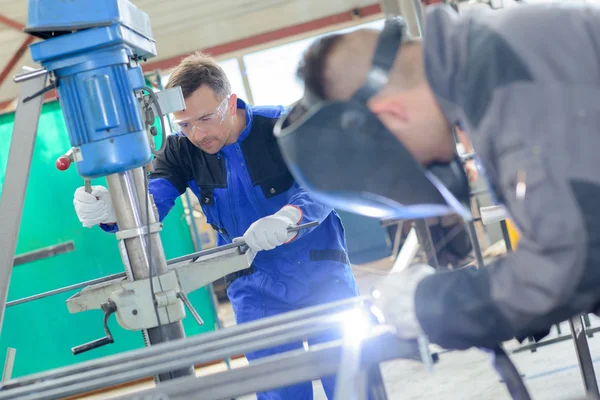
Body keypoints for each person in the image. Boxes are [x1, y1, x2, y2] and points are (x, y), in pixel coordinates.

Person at [274, 3, 600, 351]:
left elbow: (577, 259)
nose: (426, 165)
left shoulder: (498, 72)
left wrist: (430, 303)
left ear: (392, 115)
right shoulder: (482, 59)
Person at [73, 52, 360, 399]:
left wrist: (289, 217)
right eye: (184, 124)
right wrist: (116, 211)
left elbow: (324, 184)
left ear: (232, 102)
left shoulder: (281, 126)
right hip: (255, 290)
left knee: (351, 382)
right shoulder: (181, 152)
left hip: (321, 277)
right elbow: (153, 202)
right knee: (278, 392)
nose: (197, 133)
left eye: (205, 118)